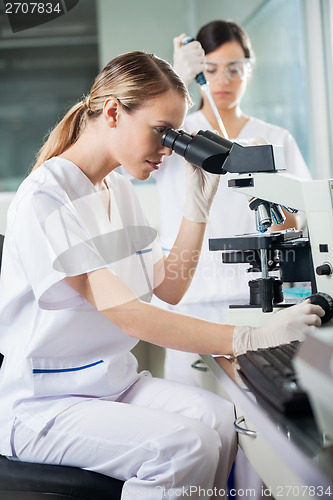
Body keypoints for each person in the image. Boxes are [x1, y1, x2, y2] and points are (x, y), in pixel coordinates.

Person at [0, 51, 323, 500]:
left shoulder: (118, 189)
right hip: (44, 406)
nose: (169, 148)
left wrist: (197, 209)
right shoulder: (45, 198)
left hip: (114, 386)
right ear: (113, 112)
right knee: (184, 447)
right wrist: (247, 338)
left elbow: (169, 285)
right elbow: (128, 315)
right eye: (162, 132)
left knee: (226, 421)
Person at [152, 20, 312, 385]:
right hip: (188, 304)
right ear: (198, 73)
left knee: (257, 420)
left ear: (249, 71)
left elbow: (298, 218)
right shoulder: (176, 132)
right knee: (197, 423)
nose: (223, 80)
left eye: (235, 69)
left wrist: (277, 202)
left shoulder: (275, 137)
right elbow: (126, 163)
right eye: (211, 69)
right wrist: (171, 79)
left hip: (261, 304)